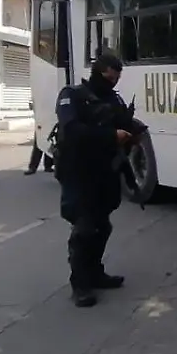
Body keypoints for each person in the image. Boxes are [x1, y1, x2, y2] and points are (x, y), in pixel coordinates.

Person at [54, 53, 139, 308]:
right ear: (98, 72)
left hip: (106, 170)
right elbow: (72, 131)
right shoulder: (72, 95)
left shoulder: (113, 98)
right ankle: (80, 284)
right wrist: (111, 135)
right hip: (79, 172)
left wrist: (133, 132)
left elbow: (124, 122)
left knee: (103, 226)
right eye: (109, 78)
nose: (112, 83)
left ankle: (95, 273)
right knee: (84, 228)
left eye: (116, 79)